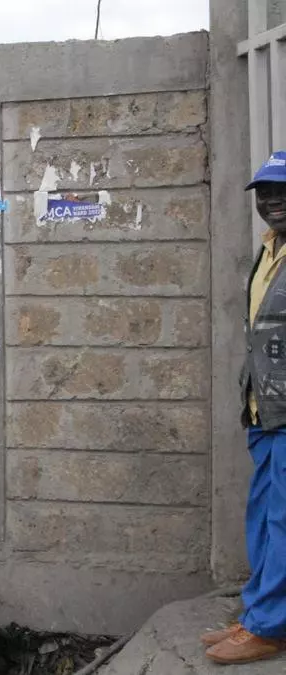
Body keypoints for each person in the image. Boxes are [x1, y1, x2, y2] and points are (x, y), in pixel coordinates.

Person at [202, 150, 286, 665]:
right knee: (263, 518)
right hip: (265, 411)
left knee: (284, 522)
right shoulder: (270, 249)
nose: (274, 201)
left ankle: (269, 627)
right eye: (266, 193)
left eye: (283, 191)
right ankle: (258, 612)